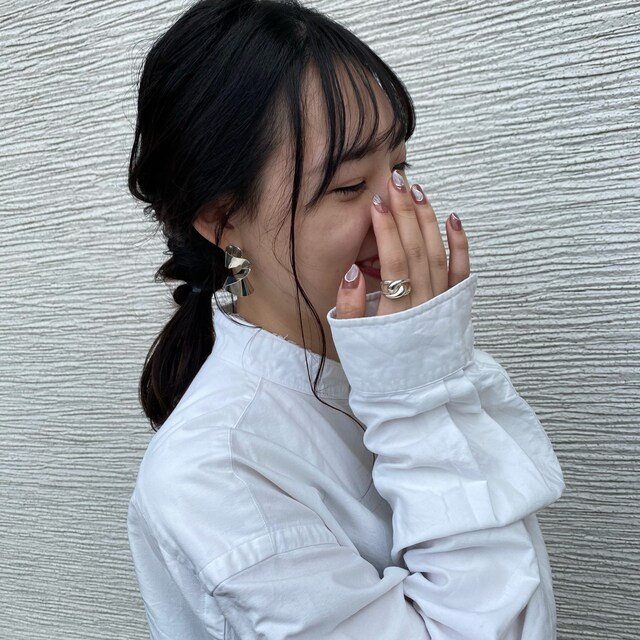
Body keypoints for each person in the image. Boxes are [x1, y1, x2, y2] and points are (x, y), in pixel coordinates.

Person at [126, 1, 565, 638]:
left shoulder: (381, 359)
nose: (398, 215)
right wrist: (419, 390)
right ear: (222, 218)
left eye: (400, 168)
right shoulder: (214, 475)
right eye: (349, 186)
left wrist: (423, 365)